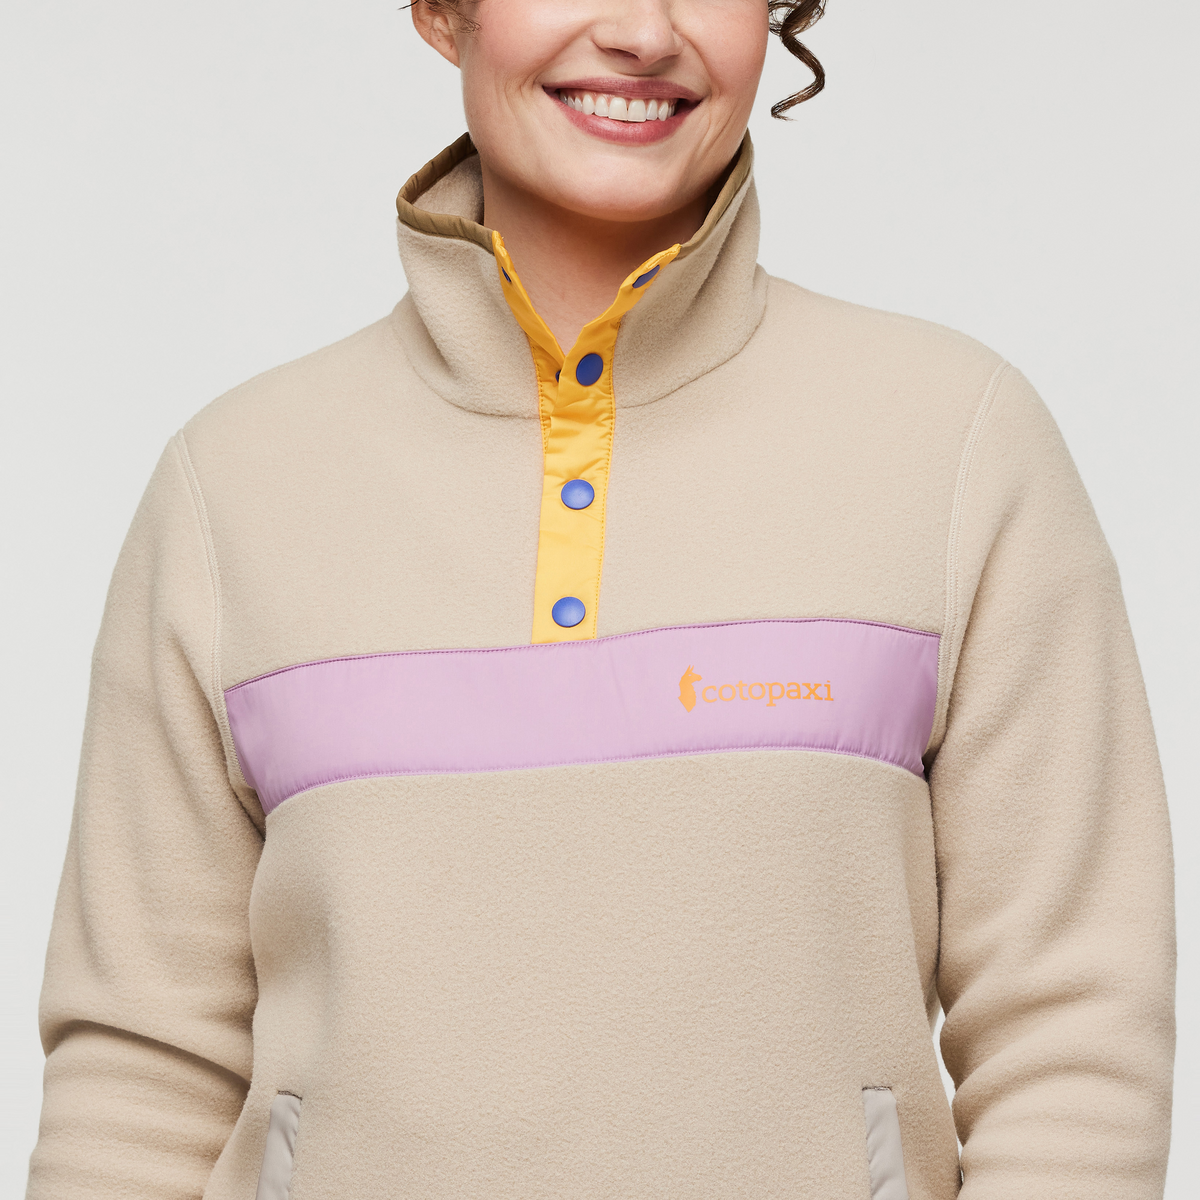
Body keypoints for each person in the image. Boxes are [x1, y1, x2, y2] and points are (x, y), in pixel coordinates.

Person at [26, 0, 1175, 1197]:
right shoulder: (234, 485)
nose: (643, 31)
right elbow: (139, 1075)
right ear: (443, 12)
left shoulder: (954, 442)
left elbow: (1071, 1034)